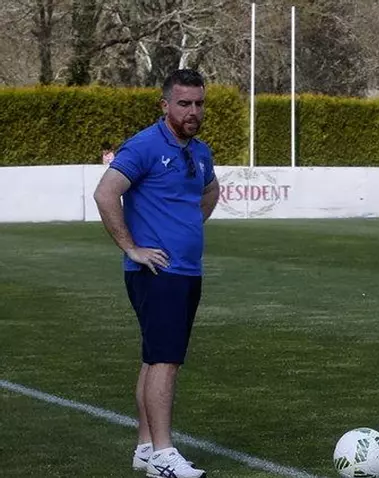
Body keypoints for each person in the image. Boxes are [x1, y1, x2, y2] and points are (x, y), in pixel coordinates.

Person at [93, 69, 219, 478]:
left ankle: (146, 448)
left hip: (186, 271)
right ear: (165, 105)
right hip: (157, 271)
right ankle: (164, 454)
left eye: (198, 103)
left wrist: (189, 226)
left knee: (155, 359)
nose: (192, 111)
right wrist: (131, 247)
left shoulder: (200, 151)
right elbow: (106, 193)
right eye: (184, 103)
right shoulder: (145, 145)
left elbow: (211, 190)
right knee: (165, 360)